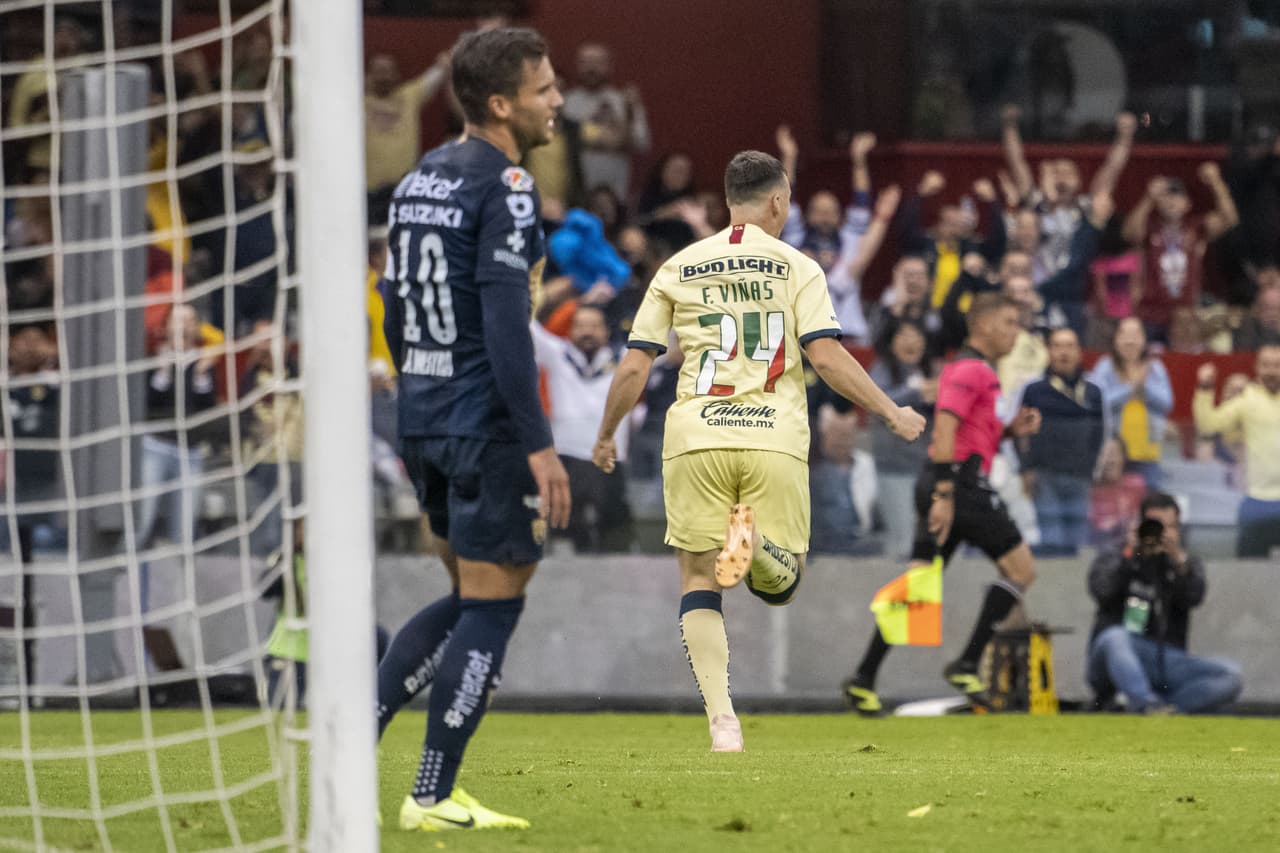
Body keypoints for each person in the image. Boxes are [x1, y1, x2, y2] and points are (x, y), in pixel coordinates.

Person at [591, 150, 925, 752]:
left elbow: (636, 364)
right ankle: (759, 546)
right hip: (773, 433)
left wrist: (607, 433)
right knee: (783, 583)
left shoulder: (679, 266)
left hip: (696, 436)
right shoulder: (799, 267)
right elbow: (826, 357)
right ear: (777, 201)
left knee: (699, 578)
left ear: (727, 201)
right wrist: (891, 411)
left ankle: (723, 722)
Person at [373, 27, 569, 833]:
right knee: (494, 604)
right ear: (501, 104)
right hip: (484, 422)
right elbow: (506, 326)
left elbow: (392, 302)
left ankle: (354, 741)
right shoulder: (509, 185)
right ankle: (431, 793)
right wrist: (539, 443)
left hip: (422, 414)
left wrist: (418, 388)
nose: (558, 100)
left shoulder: (419, 177)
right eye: (544, 89)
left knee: (468, 595)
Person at [844, 293, 1043, 716]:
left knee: (919, 586)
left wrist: (1010, 432)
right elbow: (946, 428)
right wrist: (945, 495)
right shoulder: (971, 369)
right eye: (1009, 322)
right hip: (960, 486)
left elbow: (972, 433)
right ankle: (968, 663)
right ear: (984, 325)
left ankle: (864, 677)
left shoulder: (976, 370)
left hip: (948, 482)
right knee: (1021, 570)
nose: (1016, 332)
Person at [1087, 493, 1242, 714]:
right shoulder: (1117, 553)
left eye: (1170, 527)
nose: (1162, 534)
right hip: (1114, 658)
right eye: (1156, 526)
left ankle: (1162, 709)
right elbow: (1102, 590)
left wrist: (1178, 562)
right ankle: (1144, 703)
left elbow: (1194, 596)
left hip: (1163, 660)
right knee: (1115, 638)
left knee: (1230, 675)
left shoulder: (1183, 563)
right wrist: (1131, 554)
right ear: (1140, 525)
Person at [776, 126, 901, 345]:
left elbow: (861, 201)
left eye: (830, 212)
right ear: (808, 215)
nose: (824, 217)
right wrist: (789, 157)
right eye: (819, 211)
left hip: (849, 334)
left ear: (840, 216)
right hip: (804, 336)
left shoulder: (850, 239)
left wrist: (859, 161)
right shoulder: (794, 238)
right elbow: (785, 198)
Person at [531, 303, 633, 553]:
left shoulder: (627, 359)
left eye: (594, 326)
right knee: (565, 526)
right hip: (566, 454)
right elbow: (527, 327)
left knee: (614, 529)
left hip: (610, 454)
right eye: (581, 326)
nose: (588, 332)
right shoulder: (557, 354)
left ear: (606, 331)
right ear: (571, 329)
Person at [1122, 166, 1240, 343]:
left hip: (1184, 314)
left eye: (1177, 197)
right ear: (1158, 203)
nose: (1172, 201)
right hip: (1151, 313)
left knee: (1183, 358)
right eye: (1166, 197)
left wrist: (1216, 183)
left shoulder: (1196, 227)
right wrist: (1148, 198)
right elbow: (1129, 233)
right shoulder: (1150, 227)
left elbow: (1230, 219)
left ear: (1187, 204)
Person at [1019, 328, 1106, 557]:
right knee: (1053, 541)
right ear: (1049, 351)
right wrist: (1026, 469)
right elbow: (1021, 432)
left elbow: (1098, 433)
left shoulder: (1092, 392)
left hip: (1080, 477)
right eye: (1057, 346)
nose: (1063, 352)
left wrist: (1092, 467)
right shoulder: (1034, 391)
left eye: (1069, 346)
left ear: (1079, 352)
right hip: (1044, 476)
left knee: (1077, 544)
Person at [1194, 345, 1280, 558]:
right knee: (1249, 568)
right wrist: (1205, 387)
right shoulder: (1247, 400)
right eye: (1266, 365)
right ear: (1256, 367)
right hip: (1257, 499)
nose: (1271, 371)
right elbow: (1208, 424)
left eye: (1277, 365)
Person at [868, 321, 936, 559]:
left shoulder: (931, 372)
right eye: (904, 335)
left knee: (928, 543)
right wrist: (917, 392)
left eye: (916, 335)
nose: (911, 342)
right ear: (892, 343)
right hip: (894, 467)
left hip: (926, 468)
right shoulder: (881, 370)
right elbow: (877, 402)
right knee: (902, 542)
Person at [1089, 317, 1173, 490]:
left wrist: (1144, 387)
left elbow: (1166, 403)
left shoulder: (1155, 368)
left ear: (1144, 340)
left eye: (1135, 335)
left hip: (1147, 452)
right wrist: (1130, 388)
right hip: (1112, 453)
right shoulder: (1104, 367)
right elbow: (1096, 402)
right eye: (1124, 335)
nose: (1130, 341)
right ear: (1116, 339)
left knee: (1149, 498)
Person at [365, 50, 452, 218]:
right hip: (367, 193)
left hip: (404, 192)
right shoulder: (355, 101)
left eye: (387, 71)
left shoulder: (410, 96)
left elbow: (442, 67)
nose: (383, 76)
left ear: (396, 75)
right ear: (369, 75)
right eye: (378, 71)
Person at [560, 42, 651, 199]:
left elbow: (642, 144)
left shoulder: (624, 101)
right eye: (586, 62)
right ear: (578, 66)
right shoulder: (565, 102)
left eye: (598, 62)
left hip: (614, 193)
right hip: (572, 193)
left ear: (610, 66)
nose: (591, 68)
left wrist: (629, 114)